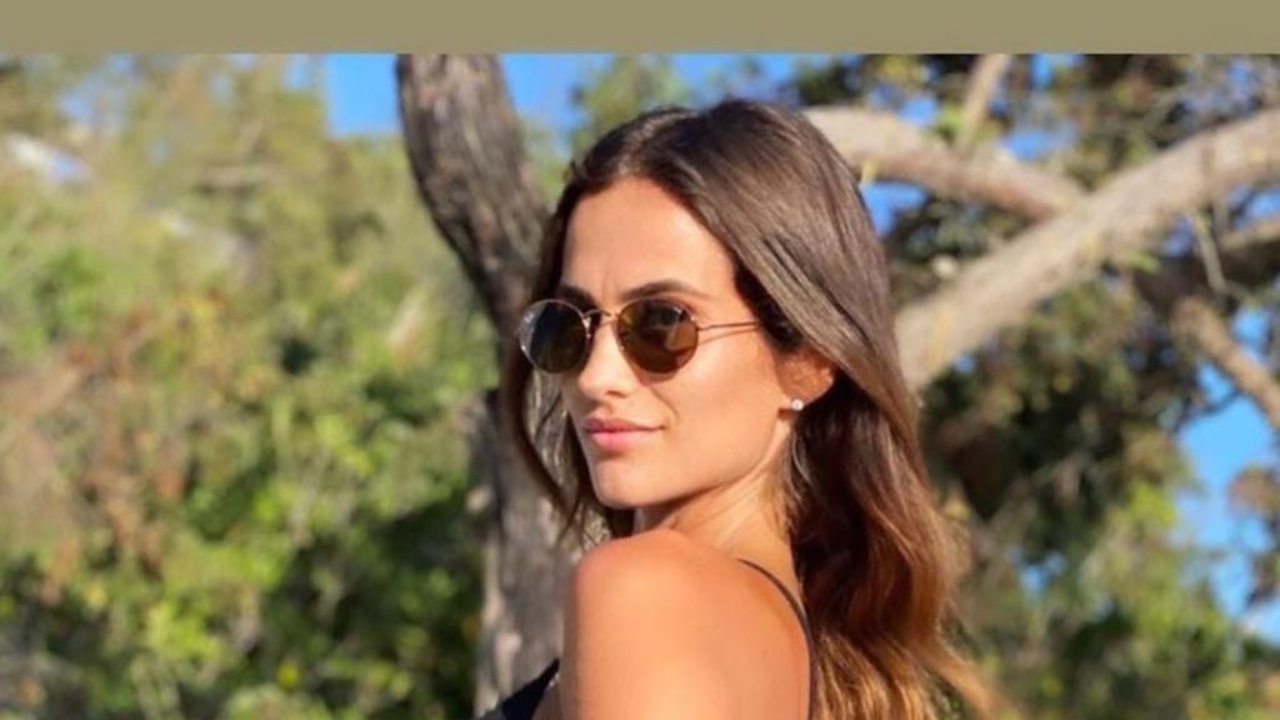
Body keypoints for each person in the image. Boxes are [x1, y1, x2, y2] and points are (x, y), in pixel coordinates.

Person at [478, 98, 996, 720]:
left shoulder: (645, 592)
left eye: (662, 324)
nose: (596, 375)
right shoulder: (790, 650)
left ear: (808, 360)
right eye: (570, 325)